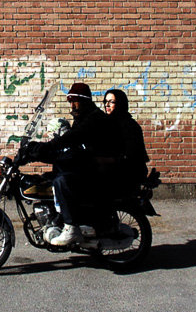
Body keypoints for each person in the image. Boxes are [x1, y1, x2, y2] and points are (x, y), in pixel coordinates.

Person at [17, 82, 120, 246]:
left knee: (61, 181)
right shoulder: (83, 118)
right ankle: (58, 217)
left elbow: (71, 139)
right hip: (87, 165)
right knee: (51, 176)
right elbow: (69, 147)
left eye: (75, 101)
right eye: (70, 101)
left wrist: (44, 147)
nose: (72, 105)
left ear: (84, 100)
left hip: (98, 171)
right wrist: (36, 151)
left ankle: (71, 227)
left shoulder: (93, 119)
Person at [103, 88, 150, 194]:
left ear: (120, 103)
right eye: (105, 101)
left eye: (111, 102)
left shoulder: (129, 125)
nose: (107, 105)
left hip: (126, 174)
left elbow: (132, 155)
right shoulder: (106, 123)